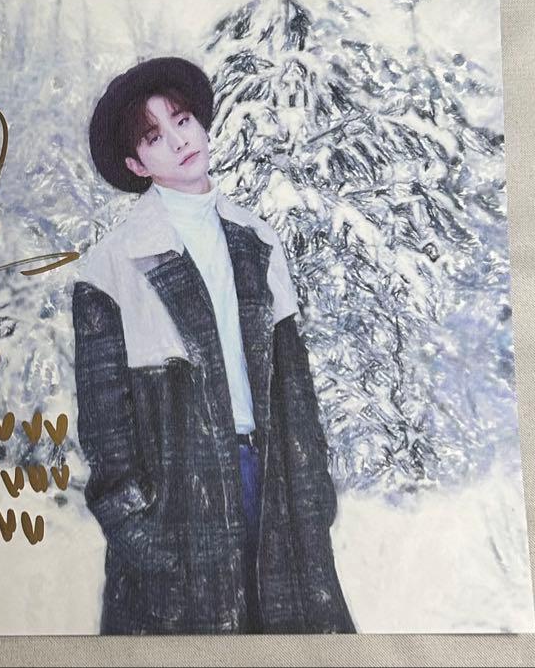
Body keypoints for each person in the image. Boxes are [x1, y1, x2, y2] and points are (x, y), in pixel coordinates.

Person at [72, 55, 355, 634]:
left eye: (181, 121)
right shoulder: (112, 265)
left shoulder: (257, 240)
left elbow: (294, 389)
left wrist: (313, 495)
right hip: (179, 501)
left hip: (271, 484)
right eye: (154, 136)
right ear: (135, 164)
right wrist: (139, 530)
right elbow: (105, 428)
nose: (179, 140)